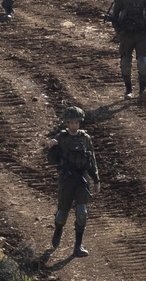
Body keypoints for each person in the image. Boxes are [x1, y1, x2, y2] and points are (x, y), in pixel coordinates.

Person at [45, 106, 99, 257]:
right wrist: (51, 147)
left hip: (82, 180)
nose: (74, 125)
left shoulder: (85, 138)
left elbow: (92, 160)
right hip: (67, 181)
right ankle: (58, 229)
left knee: (82, 213)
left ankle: (78, 246)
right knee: (62, 214)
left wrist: (96, 180)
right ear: (67, 123)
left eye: (77, 122)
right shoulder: (61, 138)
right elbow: (51, 160)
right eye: (71, 123)